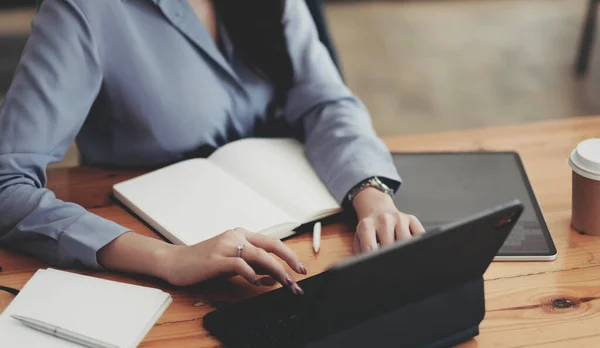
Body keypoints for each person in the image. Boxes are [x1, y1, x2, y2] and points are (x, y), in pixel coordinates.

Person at [0, 0, 425, 294]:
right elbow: (7, 183)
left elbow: (325, 100)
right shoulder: (85, 9)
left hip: (301, 240)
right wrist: (168, 260)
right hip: (157, 253)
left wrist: (372, 197)